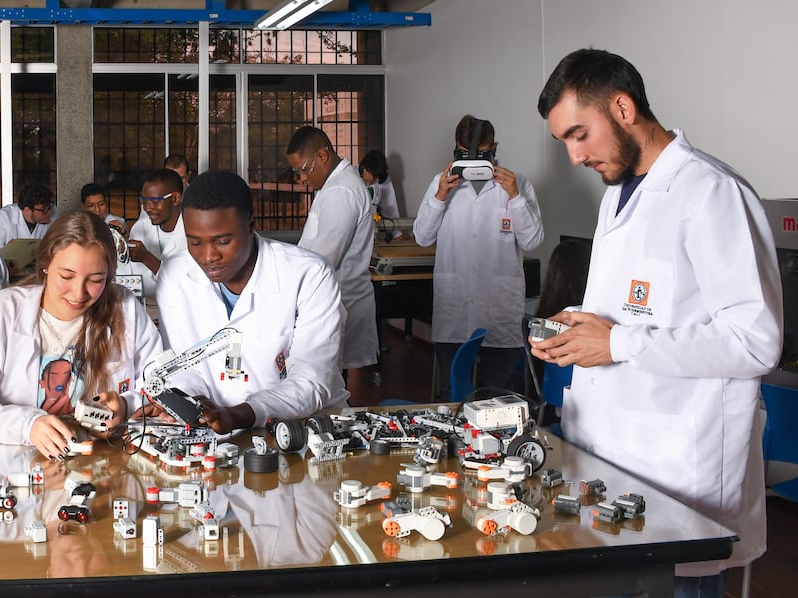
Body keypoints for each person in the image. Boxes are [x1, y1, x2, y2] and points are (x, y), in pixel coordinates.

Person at [532, 48, 781, 592]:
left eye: (579, 134)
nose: (574, 157)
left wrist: (620, 344)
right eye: (565, 143)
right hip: (612, 457)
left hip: (678, 463)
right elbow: (631, 312)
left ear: (622, 108)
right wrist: (578, 332)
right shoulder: (618, 193)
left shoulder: (712, 192)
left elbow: (756, 342)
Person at [0, 211, 163, 460]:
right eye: (66, 276)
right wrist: (27, 425)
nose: (79, 293)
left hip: (103, 462)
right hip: (18, 463)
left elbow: (160, 384)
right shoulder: (1, 312)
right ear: (46, 265)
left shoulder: (123, 307)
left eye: (96, 280)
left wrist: (126, 405)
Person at [153, 170, 348, 434]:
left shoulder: (309, 275)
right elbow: (181, 363)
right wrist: (190, 402)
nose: (209, 256)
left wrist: (241, 413)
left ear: (251, 225)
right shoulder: (174, 276)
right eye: (195, 242)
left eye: (223, 241)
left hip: (303, 427)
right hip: (216, 430)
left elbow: (310, 382)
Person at [413, 115, 544, 395]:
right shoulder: (441, 183)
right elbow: (422, 238)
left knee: (498, 395)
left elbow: (533, 241)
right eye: (465, 153)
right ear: (455, 148)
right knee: (452, 394)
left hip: (498, 312)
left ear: (494, 147)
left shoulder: (517, 184)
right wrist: (439, 198)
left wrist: (515, 197)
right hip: (455, 311)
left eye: (481, 154)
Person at [286, 127, 381, 405]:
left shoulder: (341, 191)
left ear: (323, 155)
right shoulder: (336, 186)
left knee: (328, 390)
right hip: (335, 299)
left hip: (335, 300)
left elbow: (322, 261)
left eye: (304, 169)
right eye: (297, 173)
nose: (302, 178)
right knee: (328, 382)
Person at [127, 168, 188, 276]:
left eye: (155, 201)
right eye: (144, 201)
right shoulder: (140, 228)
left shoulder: (192, 233)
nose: (148, 208)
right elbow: (130, 275)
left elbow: (182, 284)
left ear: (175, 198)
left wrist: (146, 258)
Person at [0, 182, 57, 250]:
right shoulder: (5, 216)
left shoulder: (56, 214)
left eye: (50, 207)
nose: (49, 212)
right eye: (44, 210)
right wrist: (7, 250)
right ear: (27, 210)